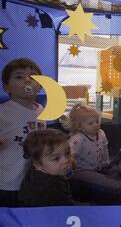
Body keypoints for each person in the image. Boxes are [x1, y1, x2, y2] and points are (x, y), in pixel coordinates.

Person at [0, 58, 46, 207]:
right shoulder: (3, 112)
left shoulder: (41, 110)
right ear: (7, 87)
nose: (27, 80)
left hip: (34, 179)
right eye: (19, 77)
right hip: (8, 181)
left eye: (33, 77)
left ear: (40, 86)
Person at [68, 104, 121, 204]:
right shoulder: (77, 140)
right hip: (83, 171)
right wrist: (71, 164)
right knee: (95, 179)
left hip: (100, 168)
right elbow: (69, 155)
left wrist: (106, 162)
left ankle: (117, 181)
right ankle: (115, 188)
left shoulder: (101, 133)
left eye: (97, 122)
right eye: (91, 123)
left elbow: (105, 148)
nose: (96, 125)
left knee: (116, 164)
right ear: (79, 126)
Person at [18, 129, 75, 207]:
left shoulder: (34, 172)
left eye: (67, 153)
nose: (66, 160)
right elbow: (67, 209)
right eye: (56, 158)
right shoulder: (55, 185)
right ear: (38, 164)